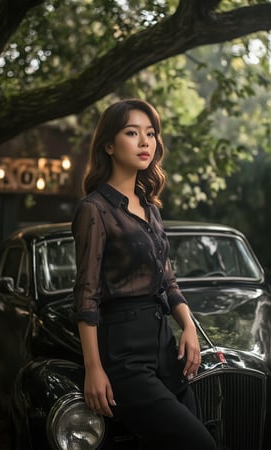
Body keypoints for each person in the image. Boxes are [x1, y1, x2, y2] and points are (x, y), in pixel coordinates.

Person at [71, 98, 217, 450]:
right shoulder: (95, 209)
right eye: (132, 132)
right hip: (124, 357)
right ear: (109, 144)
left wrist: (189, 328)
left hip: (165, 348)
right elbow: (86, 295)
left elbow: (168, 281)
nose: (144, 142)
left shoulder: (149, 207)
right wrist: (94, 368)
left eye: (150, 134)